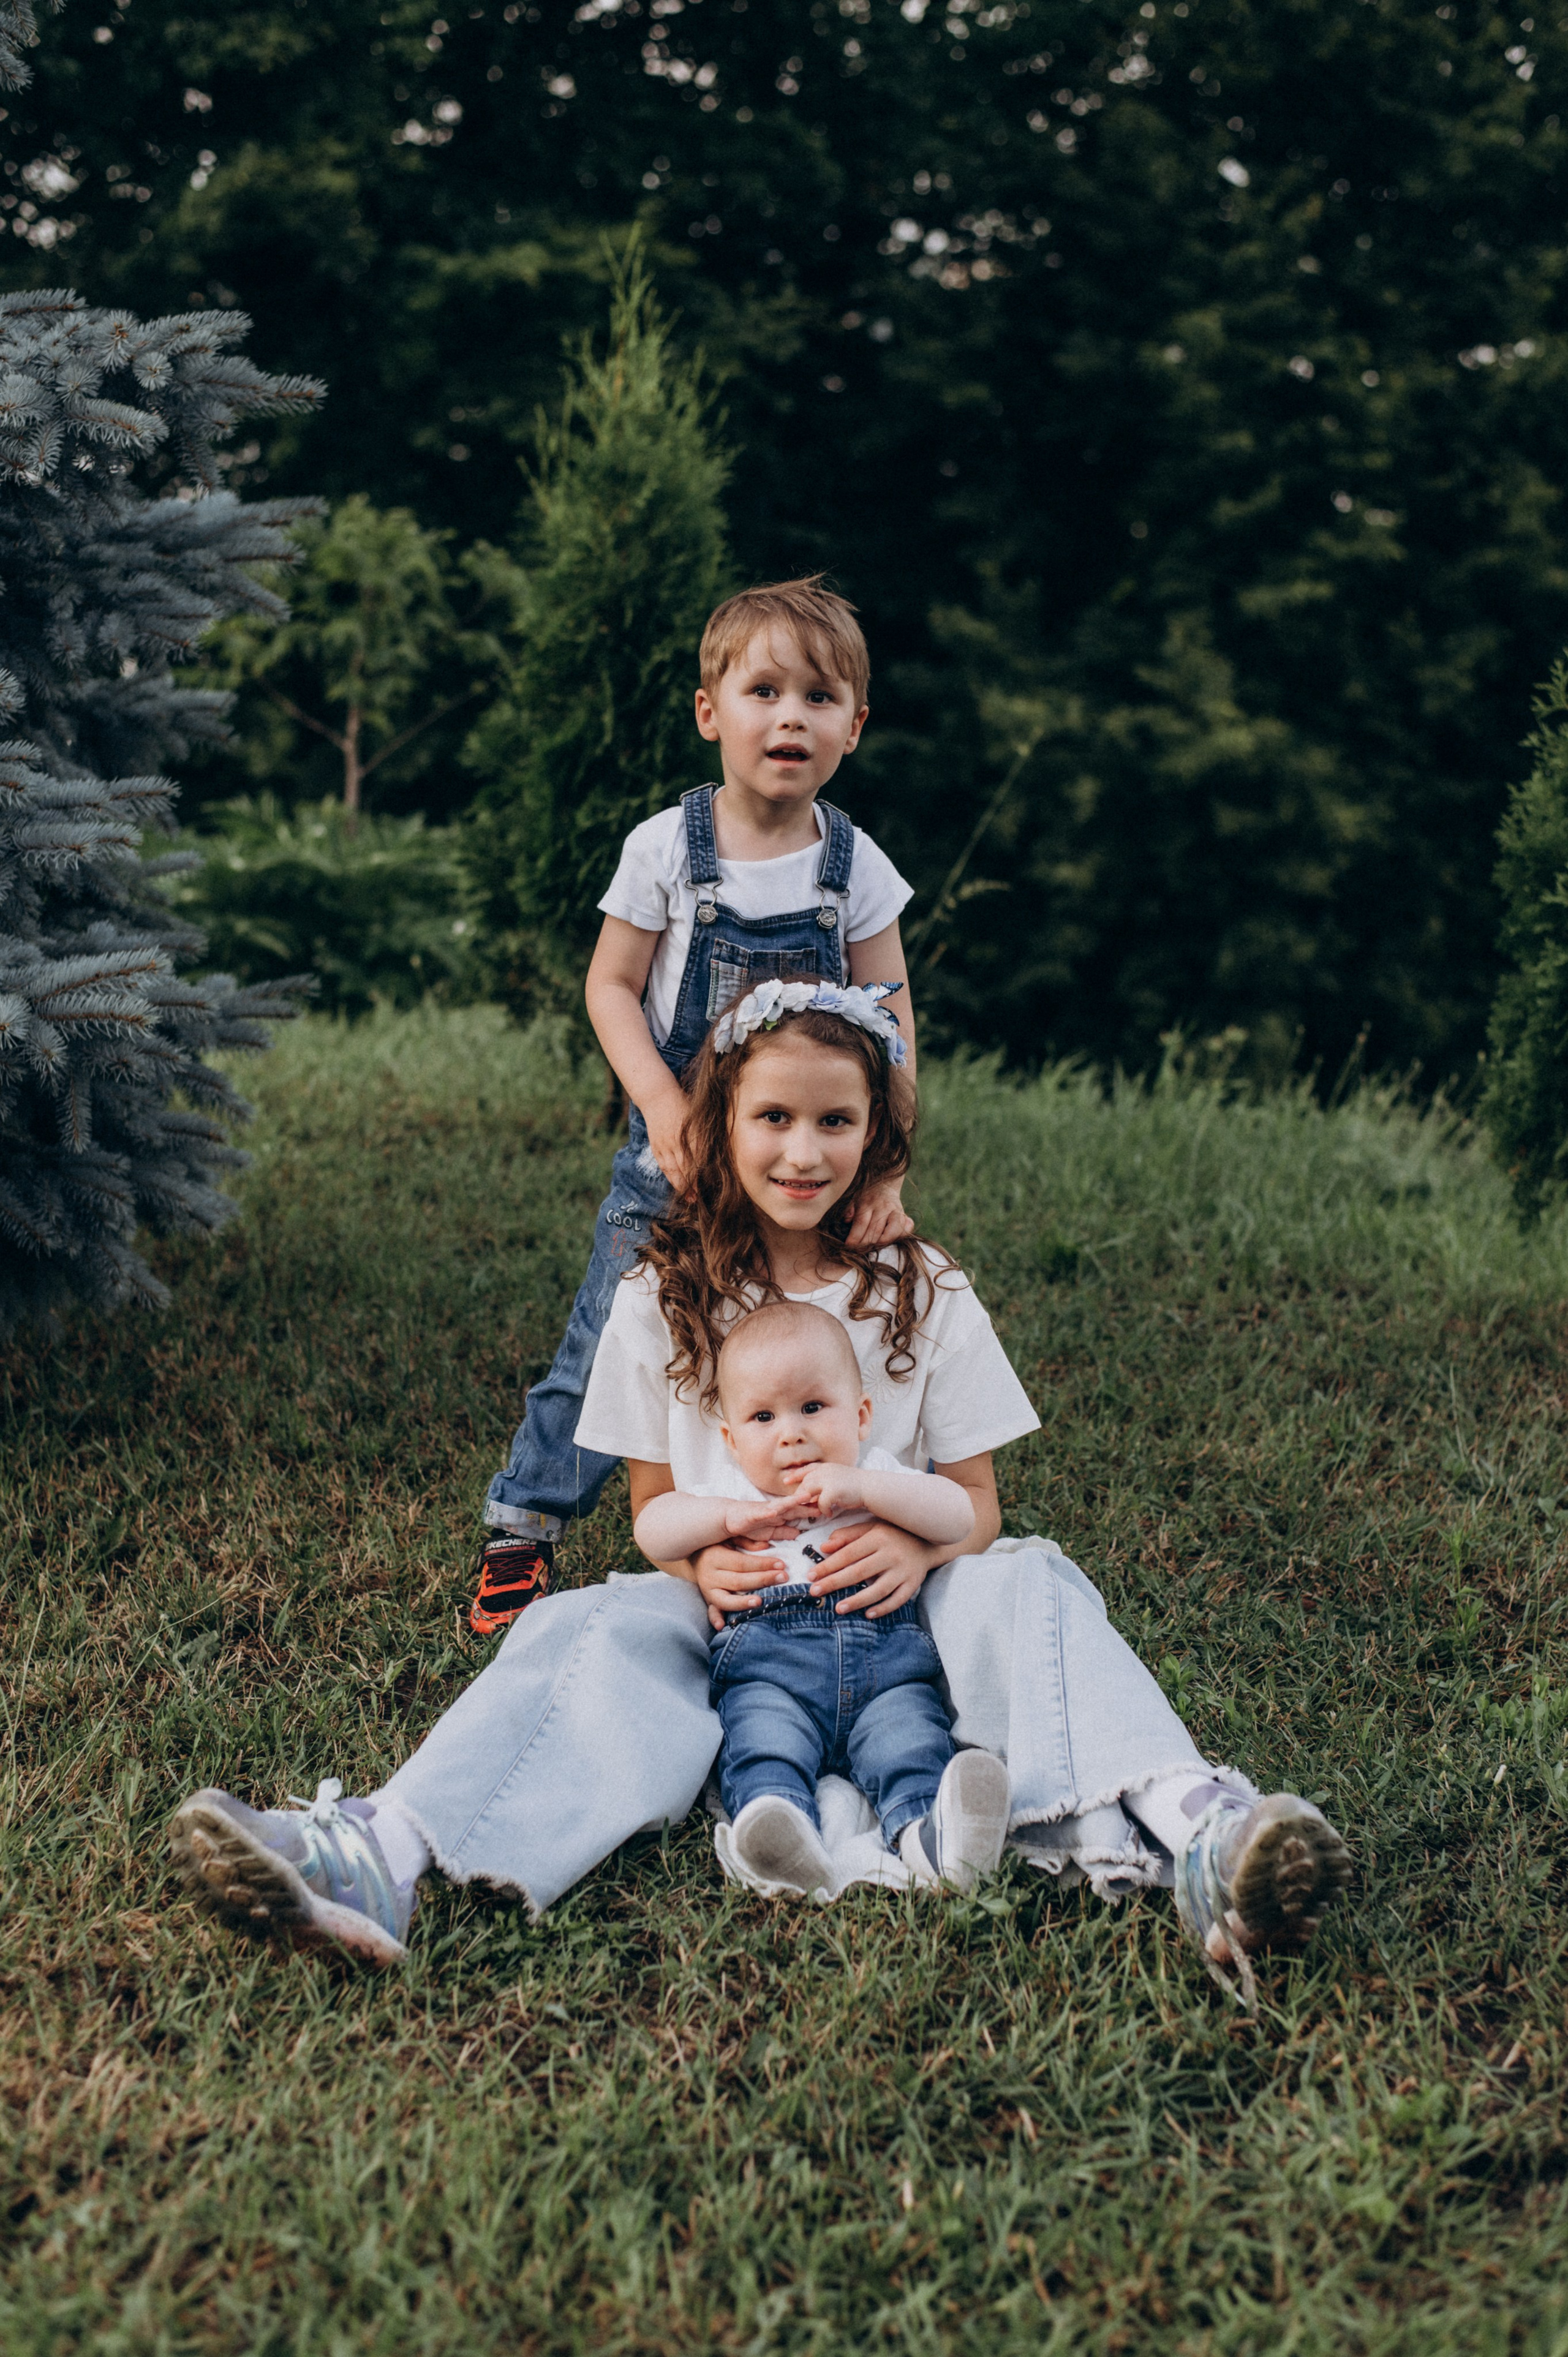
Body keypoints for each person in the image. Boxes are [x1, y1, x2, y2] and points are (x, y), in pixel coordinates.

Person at [168, 986, 1351, 2008]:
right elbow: (652, 1510)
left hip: (908, 1604)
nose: (803, 1150)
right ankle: (381, 1850)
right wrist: (701, 1565)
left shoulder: (924, 1287)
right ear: (720, 1123)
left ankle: (1199, 1827)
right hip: (732, 1607)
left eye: (837, 1120)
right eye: (773, 1117)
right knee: (588, 1619)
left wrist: (917, 1549)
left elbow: (977, 1502)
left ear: (877, 1132)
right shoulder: (658, 1295)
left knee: (1031, 1573)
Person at [469, 573, 917, 1636]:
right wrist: (665, 1109)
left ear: (855, 727)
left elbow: (892, 1022)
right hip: (675, 1160)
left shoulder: (855, 868)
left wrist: (887, 1169)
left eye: (819, 698)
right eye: (765, 692)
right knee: (611, 1343)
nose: (790, 717)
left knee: (811, 1336)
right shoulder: (670, 848)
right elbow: (610, 987)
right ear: (711, 712)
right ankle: (525, 1522)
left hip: (807, 1168)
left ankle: (832, 1508)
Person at [634, 1294, 1011, 1897]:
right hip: (770, 1672)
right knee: (764, 1744)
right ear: (731, 1438)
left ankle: (933, 1837)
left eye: (812, 1407)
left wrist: (865, 1488)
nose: (792, 1434)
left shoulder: (878, 1475)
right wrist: (724, 1518)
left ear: (860, 1417)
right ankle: (781, 1830)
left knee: (911, 1745)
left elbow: (959, 1514)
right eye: (763, 1418)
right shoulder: (732, 1492)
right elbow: (651, 1528)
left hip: (887, 1671)